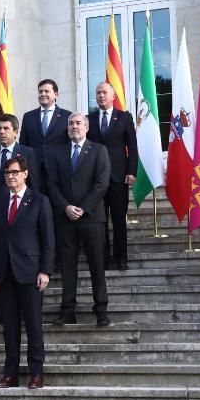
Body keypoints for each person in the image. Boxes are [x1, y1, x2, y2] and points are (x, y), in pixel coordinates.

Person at [0, 158, 54, 389]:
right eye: (7, 172)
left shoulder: (39, 201)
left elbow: (47, 238)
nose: (10, 176)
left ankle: (36, 373)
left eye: (15, 172)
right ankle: (10, 373)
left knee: (34, 326)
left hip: (30, 272)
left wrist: (45, 270)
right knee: (10, 328)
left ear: (25, 174)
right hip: (5, 273)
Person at [44, 113, 111, 327]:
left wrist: (83, 208)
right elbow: (51, 184)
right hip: (65, 218)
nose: (74, 126)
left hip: (92, 218)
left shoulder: (99, 150)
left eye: (78, 123)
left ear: (87, 127)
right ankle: (67, 311)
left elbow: (102, 183)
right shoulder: (56, 152)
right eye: (71, 123)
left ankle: (101, 310)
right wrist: (66, 207)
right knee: (68, 268)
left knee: (97, 266)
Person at [0, 113, 39, 326]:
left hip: (22, 216)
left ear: (16, 131)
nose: (2, 132)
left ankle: (22, 311)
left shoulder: (28, 153)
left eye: (6, 129)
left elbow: (36, 185)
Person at [87, 81, 138, 271]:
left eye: (104, 92)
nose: (101, 95)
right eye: (98, 92)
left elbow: (132, 146)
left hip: (118, 177)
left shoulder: (124, 118)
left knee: (118, 220)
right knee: (100, 221)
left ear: (113, 96)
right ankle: (103, 259)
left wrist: (131, 171)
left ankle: (121, 258)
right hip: (95, 179)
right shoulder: (88, 119)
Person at [19, 79, 71, 191]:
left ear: (56, 94)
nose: (43, 94)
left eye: (47, 91)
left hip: (58, 171)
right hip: (33, 171)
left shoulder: (67, 116)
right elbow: (23, 144)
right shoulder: (28, 116)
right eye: (40, 91)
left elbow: (69, 144)